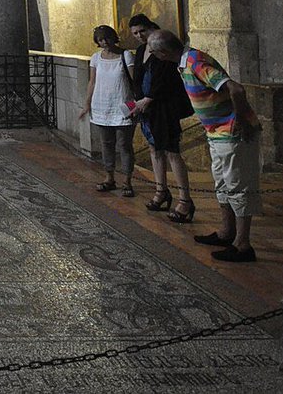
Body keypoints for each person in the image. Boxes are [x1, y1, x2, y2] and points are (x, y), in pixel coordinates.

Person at [148, 30, 262, 263]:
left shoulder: (195, 63)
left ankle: (242, 245)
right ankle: (226, 232)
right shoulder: (184, 62)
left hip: (231, 134)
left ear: (163, 52)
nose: (152, 55)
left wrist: (239, 119)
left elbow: (236, 88)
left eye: (153, 51)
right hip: (217, 134)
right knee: (222, 183)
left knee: (237, 185)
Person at [128, 15, 196, 222]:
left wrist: (149, 99)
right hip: (146, 109)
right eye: (135, 33)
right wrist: (137, 101)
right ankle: (161, 191)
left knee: (172, 152)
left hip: (164, 108)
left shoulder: (163, 49)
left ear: (151, 28)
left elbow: (167, 81)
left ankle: (185, 199)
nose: (139, 36)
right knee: (154, 149)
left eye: (142, 31)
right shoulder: (141, 51)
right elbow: (138, 78)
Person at [78, 26, 136, 196]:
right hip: (102, 106)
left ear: (113, 37)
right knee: (107, 144)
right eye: (100, 40)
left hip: (123, 106)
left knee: (124, 144)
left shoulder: (126, 56)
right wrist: (87, 104)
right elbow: (92, 82)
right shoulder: (96, 58)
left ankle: (127, 180)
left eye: (106, 38)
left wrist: (135, 105)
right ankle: (109, 177)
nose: (104, 42)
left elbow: (134, 81)